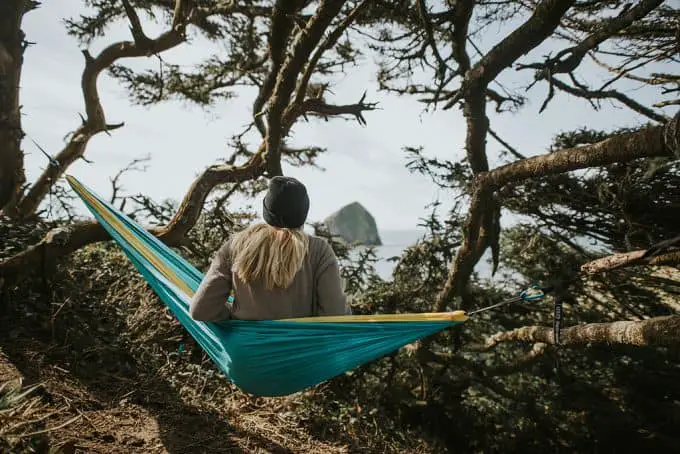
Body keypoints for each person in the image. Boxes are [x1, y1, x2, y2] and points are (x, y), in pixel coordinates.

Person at [189, 176, 350, 322]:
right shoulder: (319, 251)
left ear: (266, 210)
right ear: (303, 214)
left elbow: (200, 310)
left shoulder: (236, 245)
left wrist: (232, 317)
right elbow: (334, 314)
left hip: (246, 350)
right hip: (301, 350)